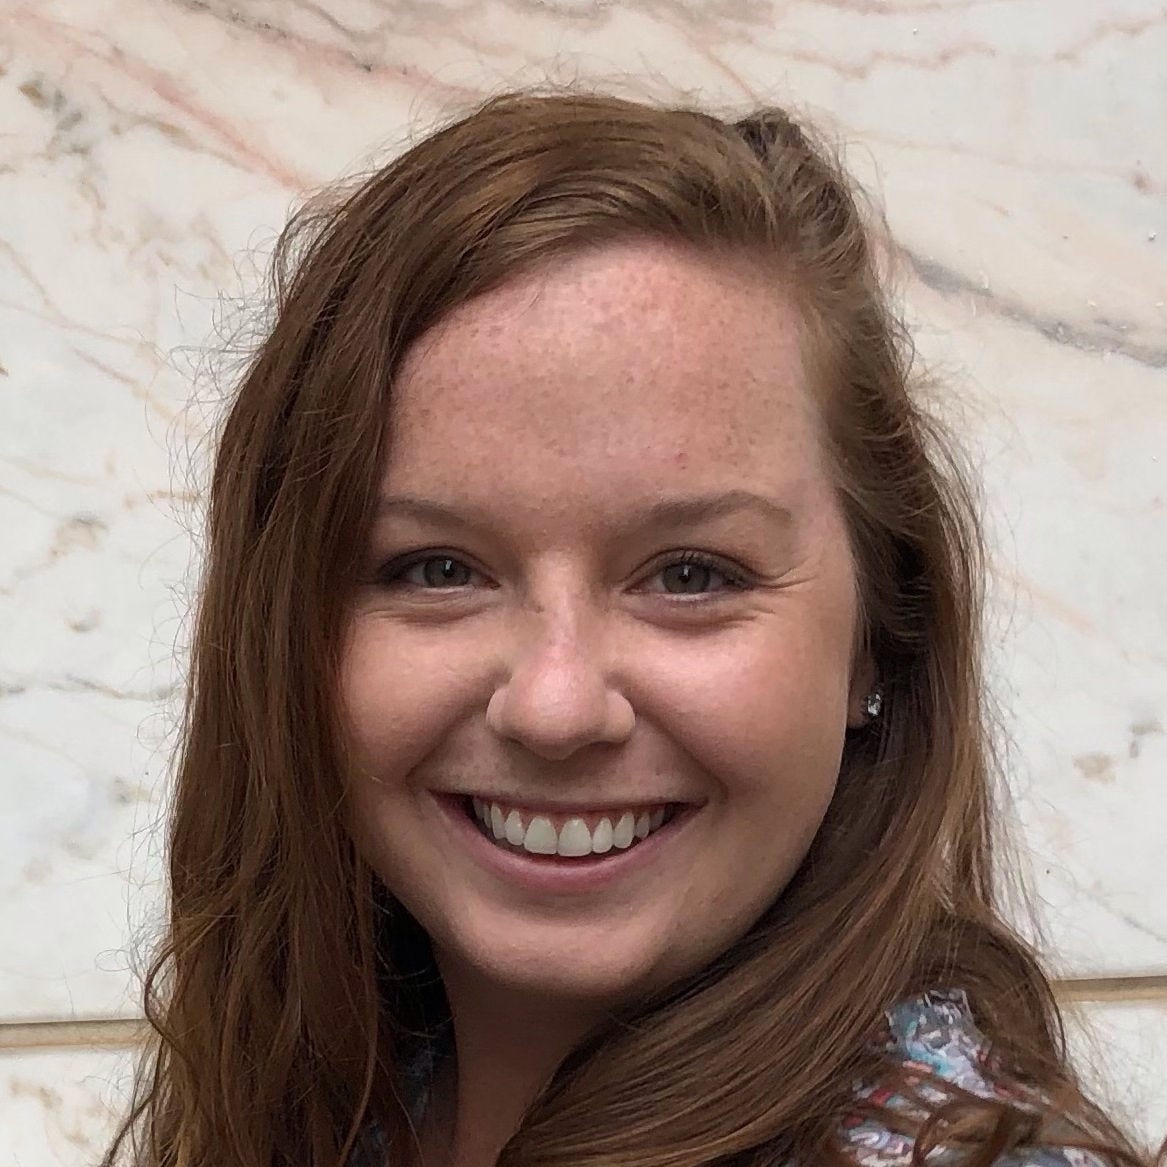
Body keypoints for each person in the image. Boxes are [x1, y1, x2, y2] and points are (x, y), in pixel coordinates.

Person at [101, 88, 1162, 1167]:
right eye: (436, 569)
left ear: (879, 639)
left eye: (692, 575)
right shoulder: (347, 1096)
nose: (555, 707)